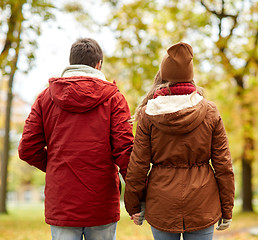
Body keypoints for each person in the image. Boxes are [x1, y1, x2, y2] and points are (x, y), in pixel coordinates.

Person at [18, 38, 134, 240]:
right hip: (101, 201)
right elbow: (125, 152)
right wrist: (138, 193)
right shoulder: (114, 99)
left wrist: (56, 165)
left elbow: (27, 149)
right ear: (98, 65)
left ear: (71, 63)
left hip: (62, 199)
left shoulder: (45, 98)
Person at [124, 42, 235, 240]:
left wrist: (134, 205)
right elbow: (223, 165)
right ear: (190, 75)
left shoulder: (149, 113)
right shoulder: (210, 111)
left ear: (164, 75)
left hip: (162, 203)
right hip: (203, 203)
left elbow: (138, 165)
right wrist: (227, 208)